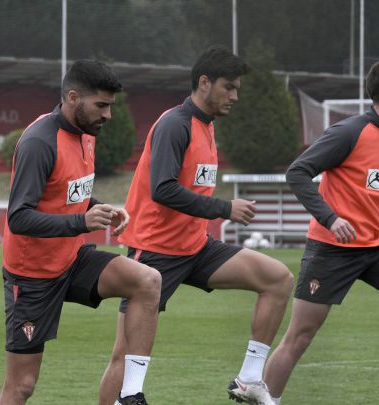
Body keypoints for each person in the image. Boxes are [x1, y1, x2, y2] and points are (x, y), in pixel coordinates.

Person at [97, 45, 294, 405]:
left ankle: (249, 378)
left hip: (196, 247)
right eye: (229, 87)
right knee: (123, 357)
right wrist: (225, 208)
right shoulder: (176, 124)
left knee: (277, 279)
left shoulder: (207, 126)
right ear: (204, 82)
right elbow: (163, 189)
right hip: (154, 250)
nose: (235, 95)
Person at [0, 59, 161, 405]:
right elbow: (18, 218)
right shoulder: (39, 142)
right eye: (101, 105)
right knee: (21, 386)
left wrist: (100, 207)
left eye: (110, 106)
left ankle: (131, 394)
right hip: (32, 276)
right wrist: (81, 222)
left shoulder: (86, 136)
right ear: (73, 98)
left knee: (147, 281)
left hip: (70, 259)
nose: (108, 115)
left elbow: (72, 194)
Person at [263, 63, 379, 405]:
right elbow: (297, 172)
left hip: (376, 247)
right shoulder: (349, 133)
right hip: (333, 249)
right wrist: (331, 219)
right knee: (300, 336)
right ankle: (266, 399)